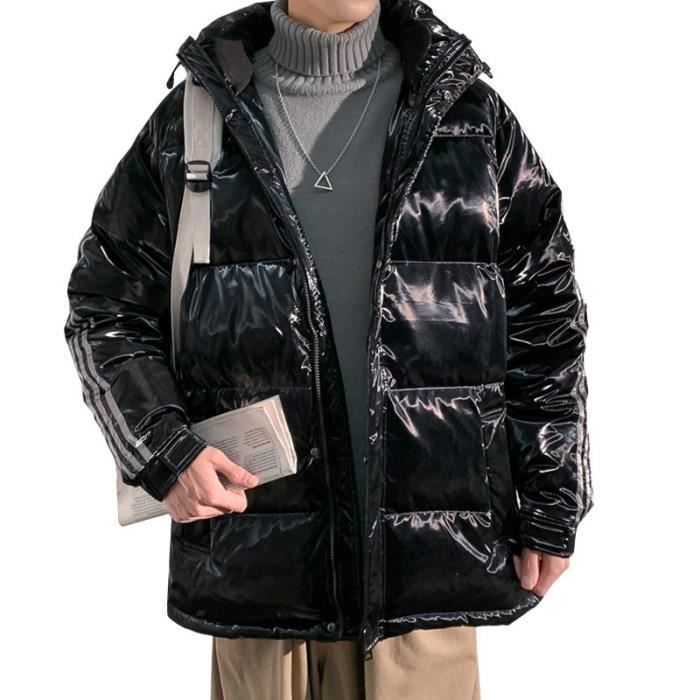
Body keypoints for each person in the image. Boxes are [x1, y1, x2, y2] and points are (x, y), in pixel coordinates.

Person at [64, 0, 593, 698]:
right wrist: (165, 451)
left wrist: (553, 496)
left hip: (430, 575)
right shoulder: (195, 122)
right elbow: (105, 304)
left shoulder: (470, 118)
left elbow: (545, 316)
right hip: (263, 573)